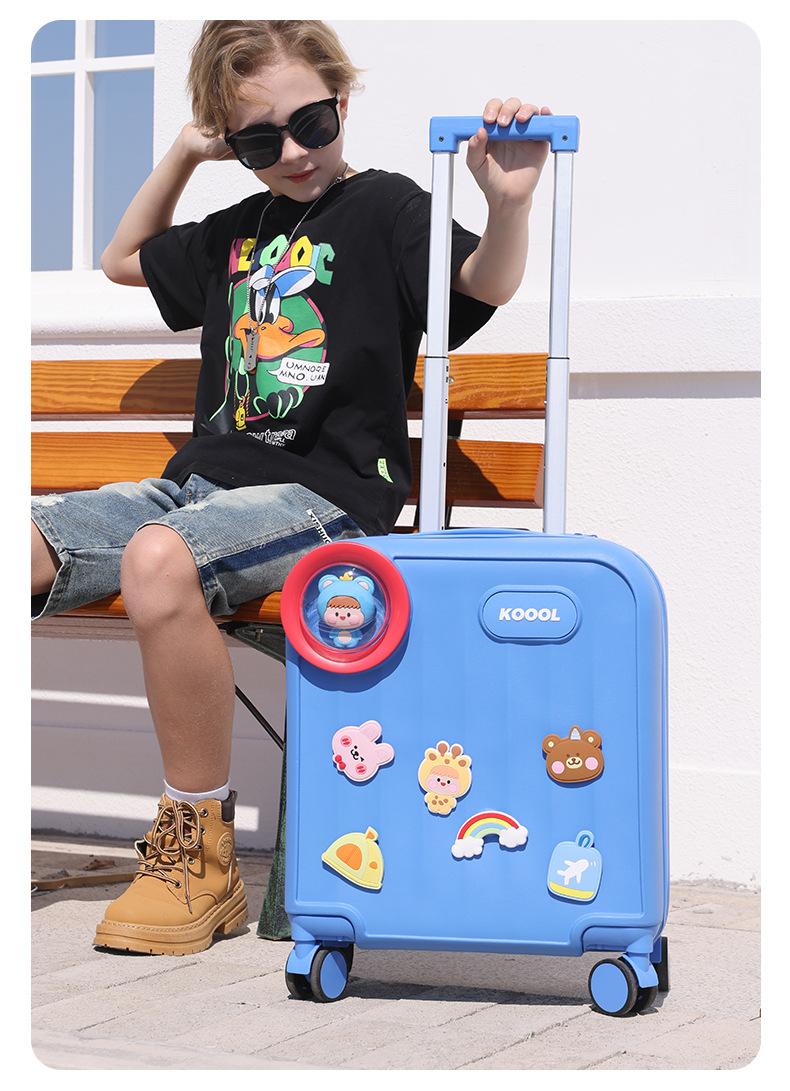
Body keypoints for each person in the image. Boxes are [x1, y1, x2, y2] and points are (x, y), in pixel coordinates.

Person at [30, 19, 552, 956]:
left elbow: (482, 284)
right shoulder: (239, 228)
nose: (296, 153)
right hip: (194, 491)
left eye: (311, 123)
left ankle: (199, 853)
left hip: (325, 498)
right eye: (261, 142)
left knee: (158, 561)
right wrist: (186, 154)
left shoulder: (388, 207)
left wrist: (507, 204)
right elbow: (121, 258)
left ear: (342, 101)